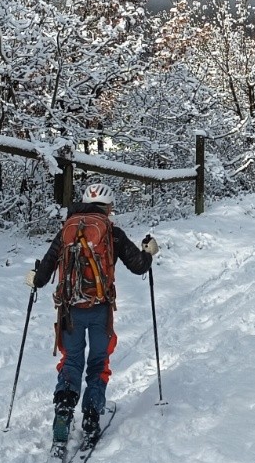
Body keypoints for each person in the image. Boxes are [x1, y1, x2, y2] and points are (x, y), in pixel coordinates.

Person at [25, 181, 157, 446]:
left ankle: (63, 407)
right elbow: (139, 266)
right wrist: (149, 251)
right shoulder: (112, 232)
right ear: (108, 207)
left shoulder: (67, 230)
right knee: (98, 362)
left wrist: (34, 280)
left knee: (72, 360)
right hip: (100, 308)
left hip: (69, 310)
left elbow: (46, 269)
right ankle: (91, 416)